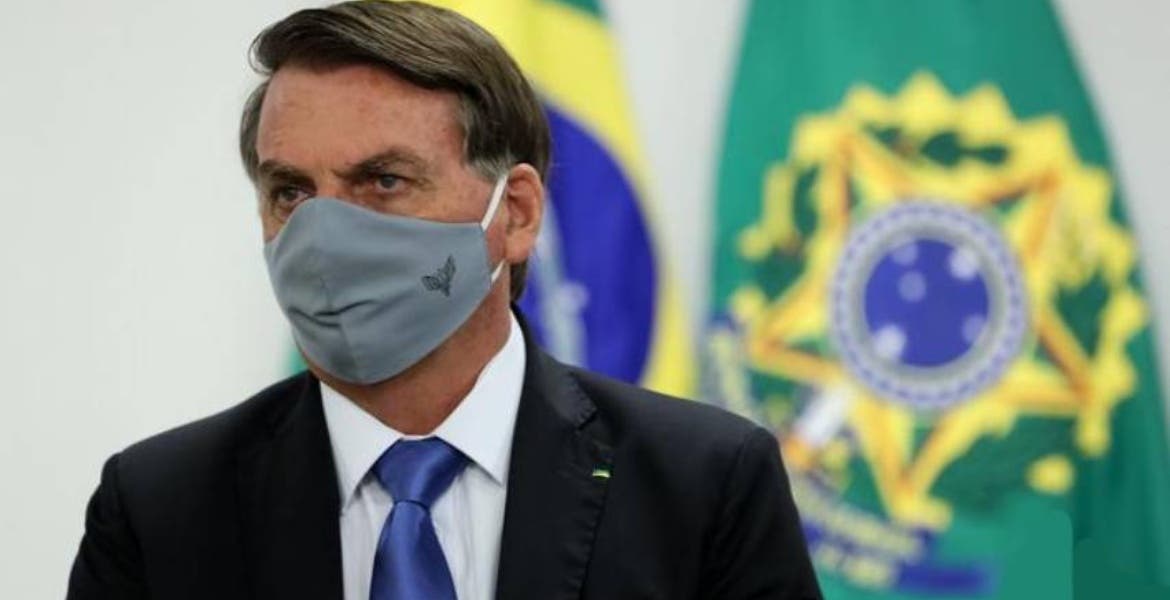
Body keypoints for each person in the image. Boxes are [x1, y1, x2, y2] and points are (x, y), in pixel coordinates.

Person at [66, 2, 821, 599]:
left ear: (515, 214)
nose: (323, 235)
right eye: (290, 191)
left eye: (383, 181)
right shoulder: (160, 507)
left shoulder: (704, 484)